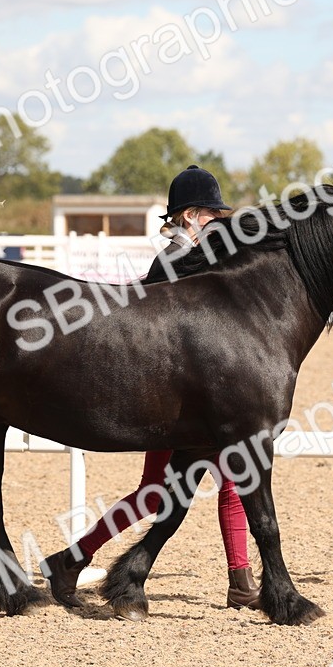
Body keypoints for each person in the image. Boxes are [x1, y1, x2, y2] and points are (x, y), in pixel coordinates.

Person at [41, 165, 263, 615]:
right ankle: (72, 559)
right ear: (188, 217)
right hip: (175, 402)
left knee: (222, 485)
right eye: (210, 215)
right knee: (161, 492)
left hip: (200, 396)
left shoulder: (199, 255)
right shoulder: (176, 260)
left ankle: (239, 580)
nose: (218, 222)